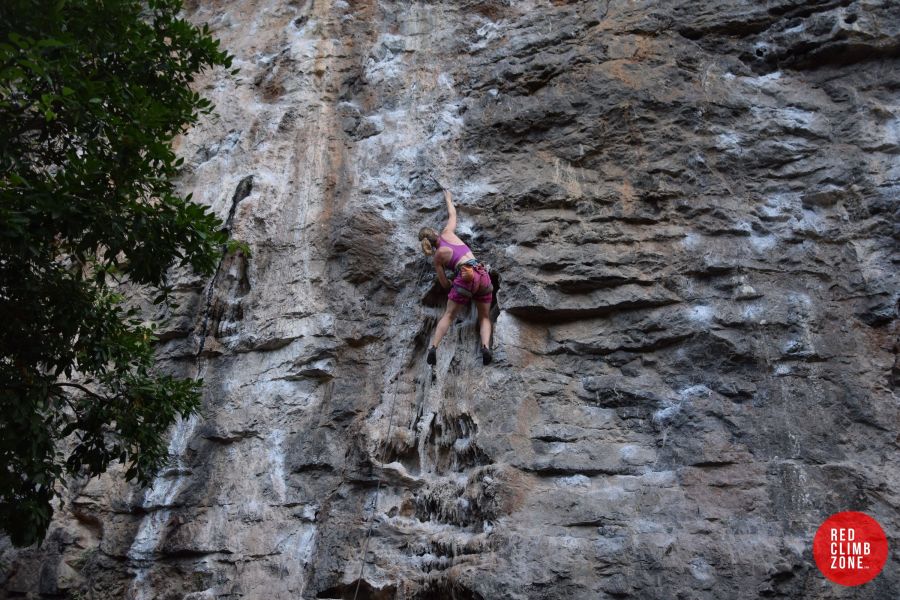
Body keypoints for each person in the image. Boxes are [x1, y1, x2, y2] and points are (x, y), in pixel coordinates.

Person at [418, 188, 493, 366]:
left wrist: (452, 283)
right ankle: (485, 347)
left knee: (449, 315)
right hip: (481, 274)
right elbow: (453, 214)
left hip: (465, 279)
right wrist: (448, 198)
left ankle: (433, 348)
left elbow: (444, 284)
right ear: (435, 232)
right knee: (484, 316)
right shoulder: (448, 233)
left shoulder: (437, 258)